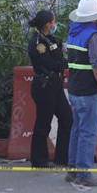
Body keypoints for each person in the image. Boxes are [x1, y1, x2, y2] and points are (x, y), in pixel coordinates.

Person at [65, 0, 97, 188]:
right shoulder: (93, 36)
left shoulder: (73, 33)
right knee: (88, 132)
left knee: (77, 129)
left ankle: (73, 169)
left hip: (75, 89)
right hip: (89, 91)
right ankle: (84, 172)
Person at [27, 9, 72, 169]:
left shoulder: (50, 39)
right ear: (48, 24)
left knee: (67, 118)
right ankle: (39, 160)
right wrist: (68, 64)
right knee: (43, 123)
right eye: (53, 22)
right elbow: (50, 64)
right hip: (44, 86)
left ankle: (63, 157)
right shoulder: (38, 43)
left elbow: (60, 53)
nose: (55, 24)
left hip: (56, 85)